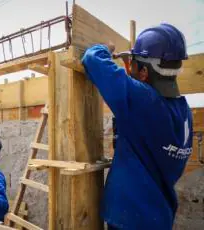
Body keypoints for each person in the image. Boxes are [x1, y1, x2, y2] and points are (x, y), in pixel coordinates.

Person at [81, 24, 193, 230]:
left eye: (134, 66)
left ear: (143, 72)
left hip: (130, 219)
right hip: (158, 217)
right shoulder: (183, 112)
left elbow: (92, 60)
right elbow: (144, 126)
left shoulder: (144, 101)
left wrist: (106, 48)